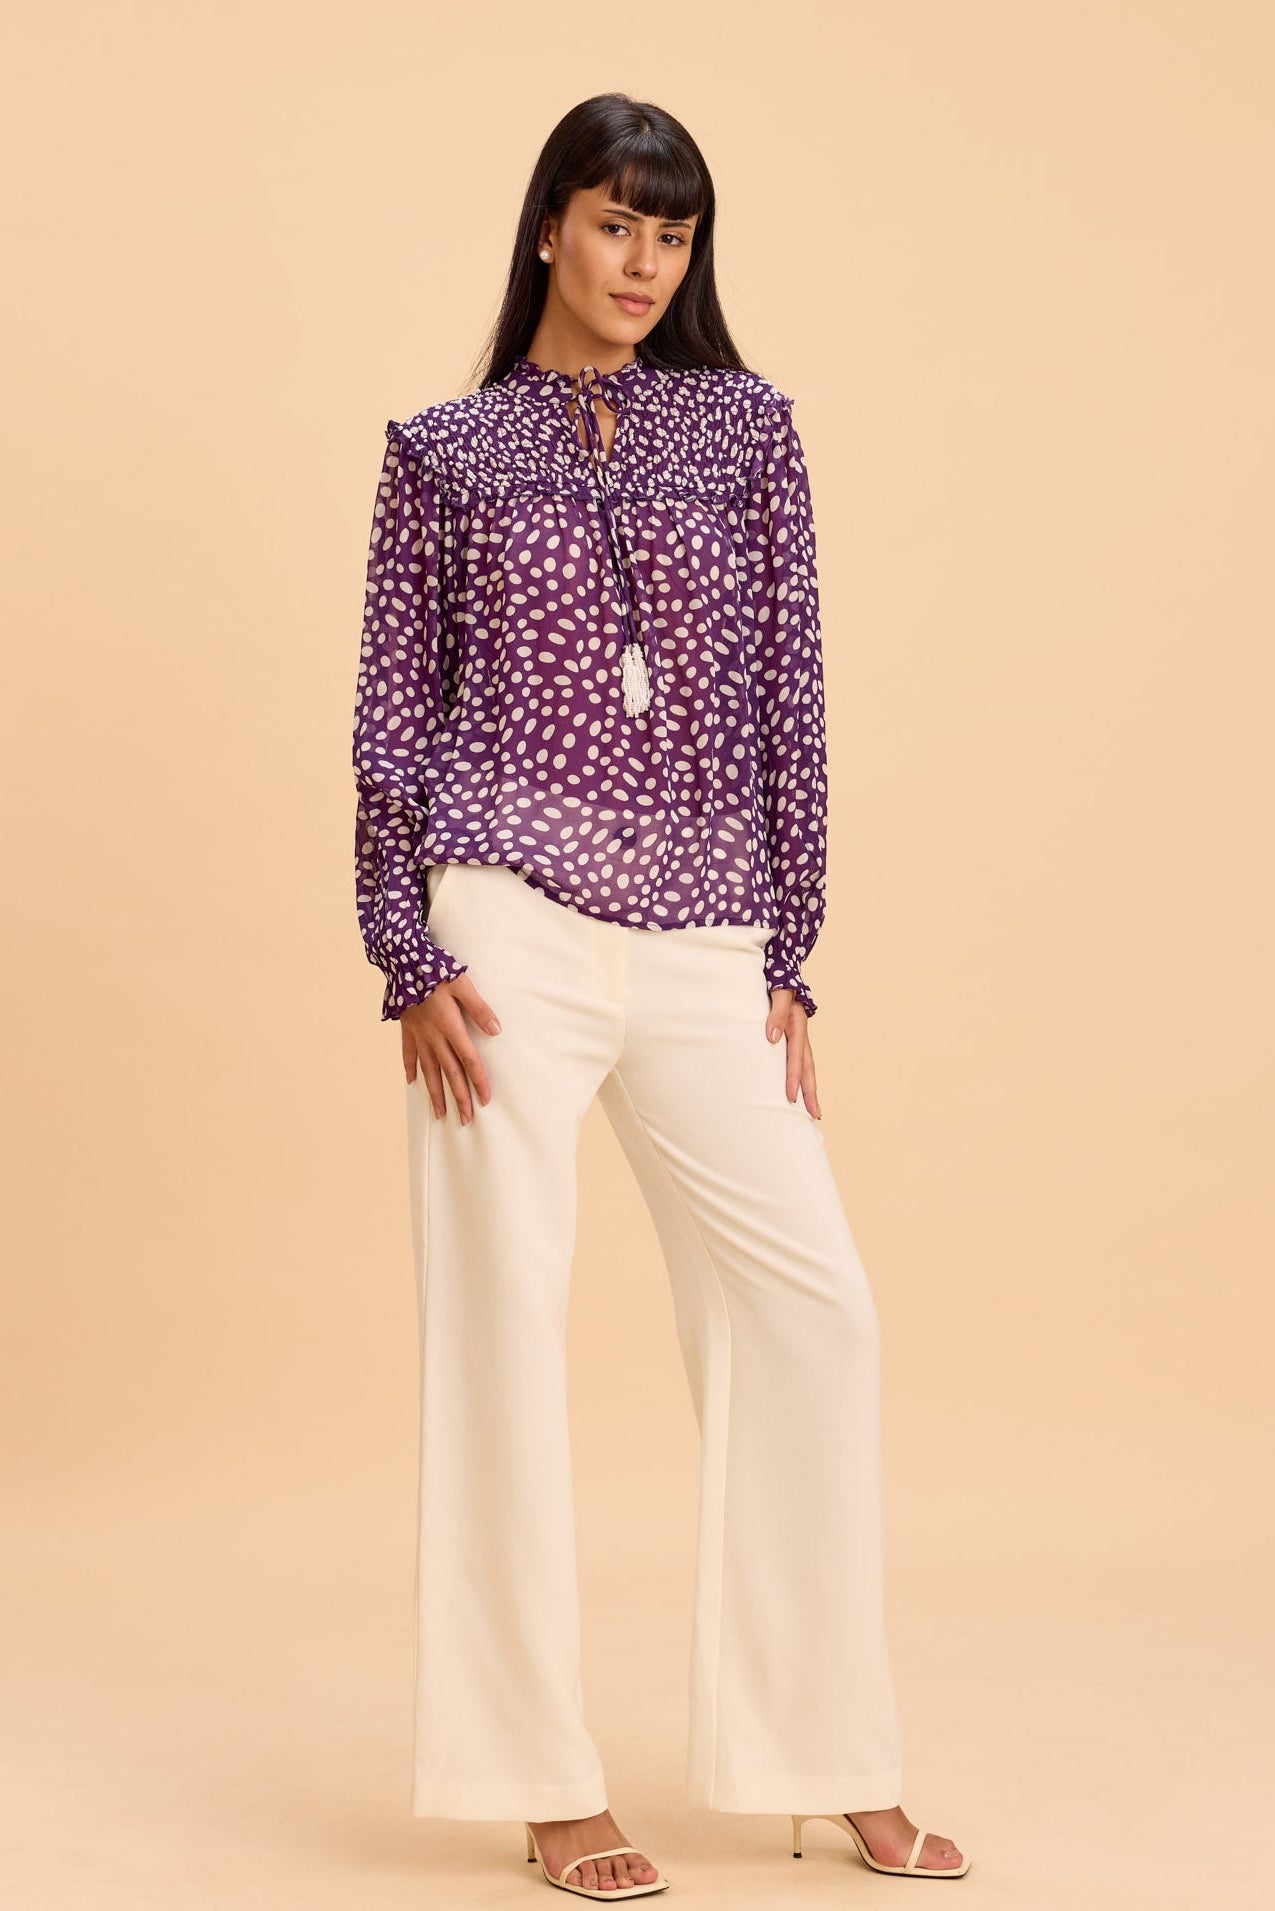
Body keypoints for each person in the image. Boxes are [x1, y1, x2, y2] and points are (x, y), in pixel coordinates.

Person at [351, 92, 969, 1898]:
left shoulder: (747, 432)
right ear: (550, 225)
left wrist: (789, 949)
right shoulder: (444, 451)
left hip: (705, 926)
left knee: (815, 1312)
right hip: (501, 929)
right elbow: (393, 711)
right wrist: (407, 947)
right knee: (500, 1327)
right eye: (616, 223)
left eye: (673, 233)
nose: (643, 263)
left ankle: (827, 1754)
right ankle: (542, 1779)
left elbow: (791, 692)